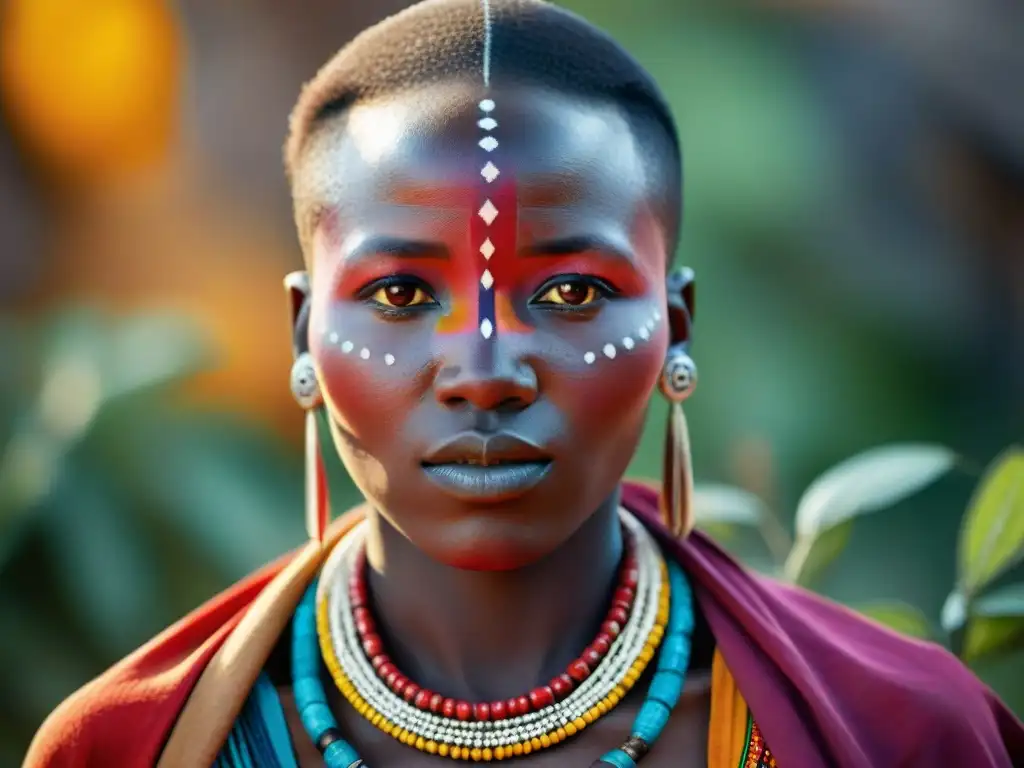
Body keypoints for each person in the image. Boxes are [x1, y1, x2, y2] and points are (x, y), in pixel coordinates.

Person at [24, 1, 1024, 766]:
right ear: (303, 331)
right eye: (404, 292)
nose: (486, 373)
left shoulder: (899, 735)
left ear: (673, 326)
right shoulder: (135, 746)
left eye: (573, 290)